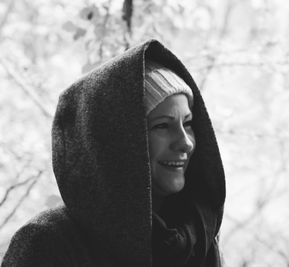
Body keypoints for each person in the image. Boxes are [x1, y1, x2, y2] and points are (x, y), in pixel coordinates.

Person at [1, 39, 226, 267]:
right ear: (120, 142)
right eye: (162, 126)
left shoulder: (197, 236)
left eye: (187, 124)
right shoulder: (49, 242)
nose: (185, 142)